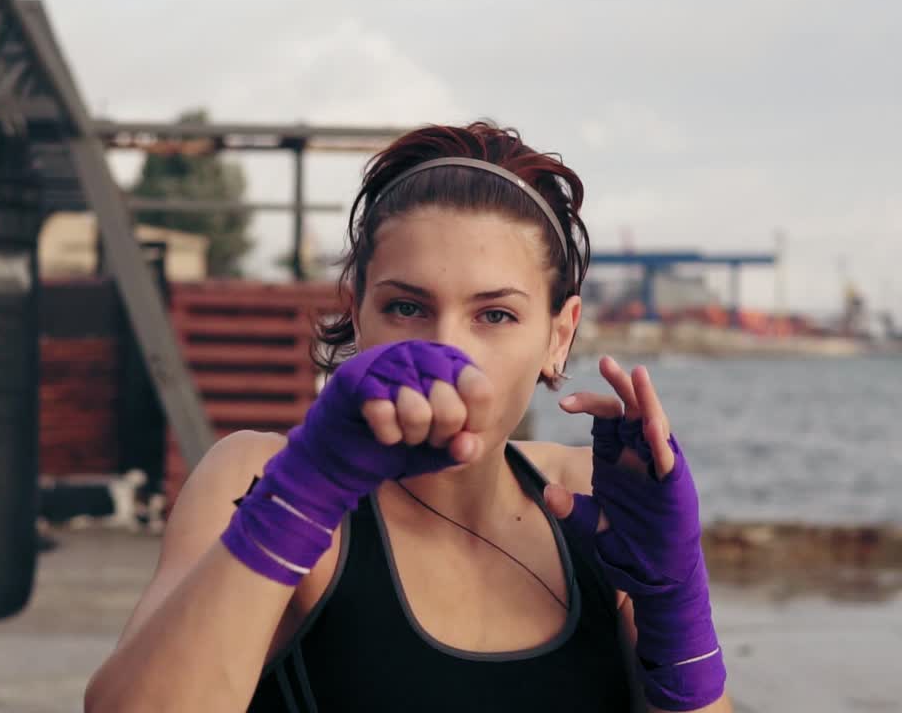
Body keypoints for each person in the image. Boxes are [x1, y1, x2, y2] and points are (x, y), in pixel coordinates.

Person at [85, 121, 732, 712]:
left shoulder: (593, 501)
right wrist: (303, 492)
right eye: (406, 307)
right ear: (357, 310)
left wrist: (676, 609)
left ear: (559, 335)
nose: (445, 350)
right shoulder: (258, 474)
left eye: (495, 315)